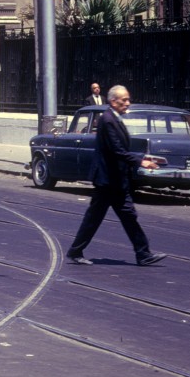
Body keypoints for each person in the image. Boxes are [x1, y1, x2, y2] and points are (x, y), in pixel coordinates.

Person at [65, 85, 167, 267]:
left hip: (117, 180)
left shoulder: (115, 119)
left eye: (128, 99)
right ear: (113, 101)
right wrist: (140, 161)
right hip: (107, 181)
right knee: (94, 218)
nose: (128, 103)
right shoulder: (107, 120)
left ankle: (143, 254)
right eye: (124, 100)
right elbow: (117, 150)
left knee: (128, 216)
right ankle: (76, 251)